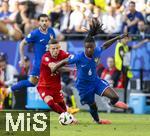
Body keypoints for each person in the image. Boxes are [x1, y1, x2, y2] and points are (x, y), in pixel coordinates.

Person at [50, 19, 128, 125]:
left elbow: (105, 45)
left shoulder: (97, 51)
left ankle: (113, 103)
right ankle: (97, 121)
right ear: (84, 47)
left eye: (91, 47)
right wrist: (54, 69)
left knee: (115, 97)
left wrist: (118, 37)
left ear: (94, 47)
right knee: (93, 106)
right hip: (83, 87)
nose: (89, 50)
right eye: (87, 48)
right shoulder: (79, 57)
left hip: (95, 81)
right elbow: (64, 61)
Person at [0, 14, 56, 99]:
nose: (44, 23)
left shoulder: (51, 31)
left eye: (46, 21)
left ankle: (8, 90)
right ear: (38, 22)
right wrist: (22, 58)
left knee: (34, 83)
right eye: (42, 21)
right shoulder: (35, 33)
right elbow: (22, 43)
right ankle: (65, 107)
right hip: (40, 65)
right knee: (41, 83)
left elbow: (54, 46)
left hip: (49, 63)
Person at [37, 39, 77, 123]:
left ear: (59, 48)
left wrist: (80, 62)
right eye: (53, 49)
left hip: (56, 87)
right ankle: (69, 117)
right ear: (49, 49)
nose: (55, 50)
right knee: (50, 103)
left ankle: (69, 118)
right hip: (44, 86)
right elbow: (54, 68)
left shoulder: (62, 53)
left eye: (57, 48)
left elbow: (73, 58)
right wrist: (73, 69)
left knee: (62, 105)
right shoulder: (46, 57)